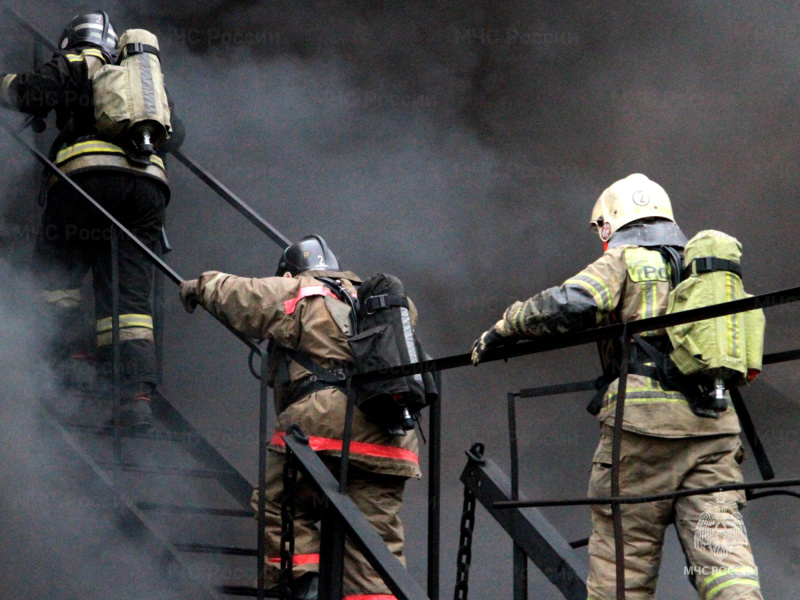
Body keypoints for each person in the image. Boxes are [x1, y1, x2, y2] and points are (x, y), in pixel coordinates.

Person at [471, 174, 763, 600]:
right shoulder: (706, 268)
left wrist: (503, 328)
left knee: (622, 568)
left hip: (641, 435)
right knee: (723, 562)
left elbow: (572, 302)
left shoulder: (627, 259)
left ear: (609, 225)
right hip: (714, 430)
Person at [180, 235, 421, 600]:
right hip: (391, 435)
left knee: (280, 504)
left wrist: (200, 285)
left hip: (324, 427)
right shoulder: (371, 300)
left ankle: (302, 587)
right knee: (374, 547)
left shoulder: (301, 290)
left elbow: (242, 296)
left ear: (291, 271)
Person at [1, 11, 184, 429]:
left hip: (87, 183)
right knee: (131, 302)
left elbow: (30, 93)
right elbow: (177, 135)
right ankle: (135, 398)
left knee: (56, 274)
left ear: (72, 39)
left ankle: (69, 366)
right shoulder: (145, 83)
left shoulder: (81, 61)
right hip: (147, 193)